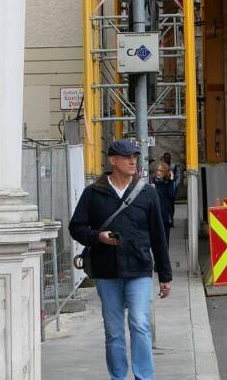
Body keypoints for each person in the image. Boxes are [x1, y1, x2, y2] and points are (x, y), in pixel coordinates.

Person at [69, 140, 172, 380]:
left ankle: (143, 377)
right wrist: (98, 237)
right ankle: (117, 376)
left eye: (134, 156)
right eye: (126, 157)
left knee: (139, 324)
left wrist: (165, 276)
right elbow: (76, 227)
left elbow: (159, 235)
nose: (132, 161)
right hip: (107, 272)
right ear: (112, 160)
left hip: (139, 269)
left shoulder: (147, 193)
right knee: (114, 331)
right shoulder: (93, 193)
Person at [152, 155, 178, 246]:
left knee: (165, 241)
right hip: (154, 216)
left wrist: (171, 181)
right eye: (158, 170)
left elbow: (172, 195)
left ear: (166, 172)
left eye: (161, 171)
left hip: (165, 217)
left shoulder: (167, 184)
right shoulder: (153, 183)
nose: (159, 173)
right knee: (155, 241)